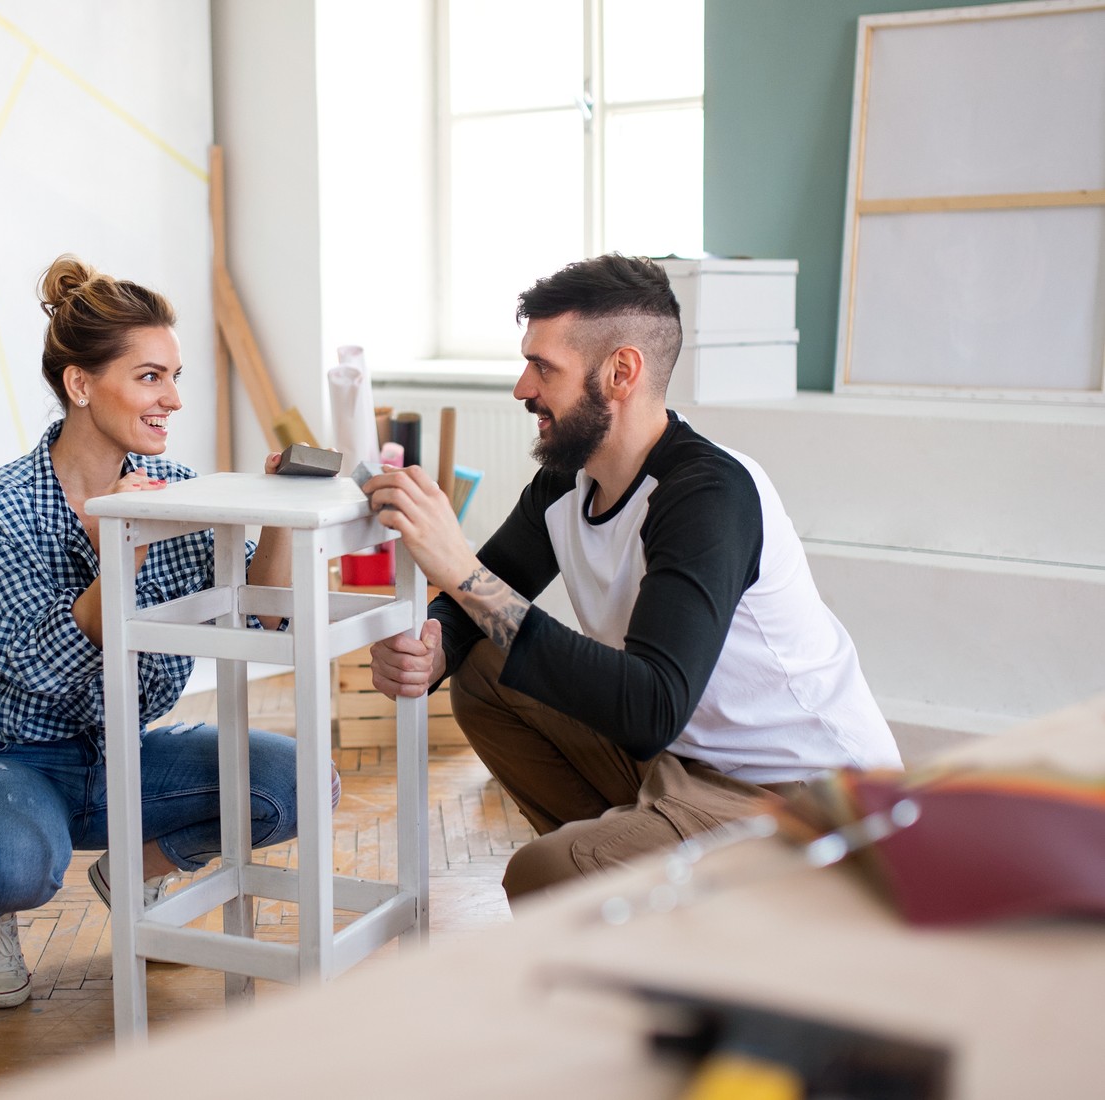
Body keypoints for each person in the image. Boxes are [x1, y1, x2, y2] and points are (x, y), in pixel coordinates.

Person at [363, 253, 900, 905]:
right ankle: (644, 878)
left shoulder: (709, 496)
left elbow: (652, 706)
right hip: (681, 764)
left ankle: (644, 892)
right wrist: (434, 647)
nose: (521, 388)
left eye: (543, 367)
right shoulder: (568, 481)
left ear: (621, 372)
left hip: (804, 797)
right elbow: (485, 597)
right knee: (483, 671)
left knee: (546, 874)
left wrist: (462, 573)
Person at [0, 255, 337, 1009]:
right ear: (82, 385)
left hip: (124, 751)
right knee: (13, 866)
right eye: (151, 377)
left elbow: (262, 611)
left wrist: (279, 512)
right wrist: (125, 542)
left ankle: (133, 868)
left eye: (174, 377)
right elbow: (47, 667)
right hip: (6, 760)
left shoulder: (178, 492)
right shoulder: (5, 506)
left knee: (298, 783)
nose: (174, 399)